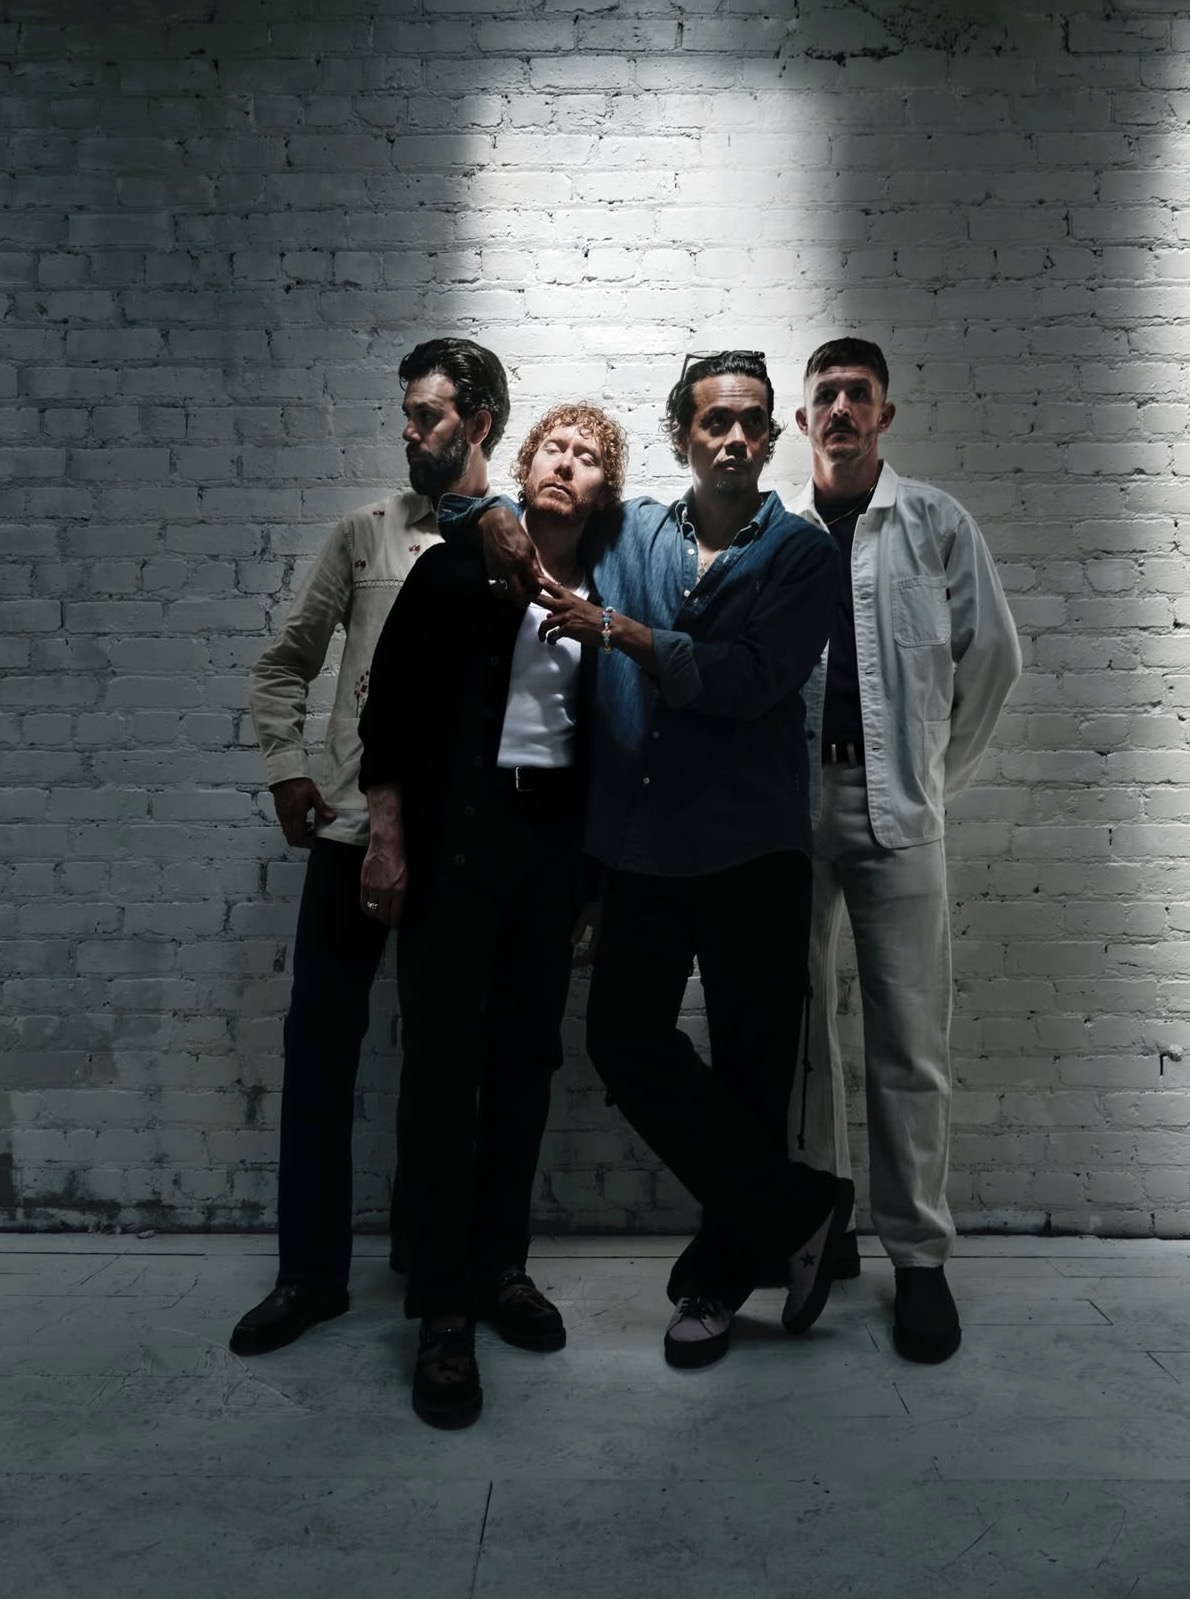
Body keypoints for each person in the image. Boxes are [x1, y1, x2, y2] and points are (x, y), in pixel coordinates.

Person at [461, 352, 851, 1372]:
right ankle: (800, 1211)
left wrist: (625, 634)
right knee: (622, 1040)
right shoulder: (632, 529)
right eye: (715, 421)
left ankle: (717, 1284)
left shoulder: (802, 555)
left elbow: (750, 681)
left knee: (753, 1073)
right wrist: (490, 514)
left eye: (752, 422)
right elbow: (539, 513)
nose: (735, 438)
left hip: (753, 851)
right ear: (683, 434)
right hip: (643, 848)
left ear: (769, 437)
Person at [229, 338, 511, 1357]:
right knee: (319, 1049)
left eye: (426, 414)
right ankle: (308, 1274)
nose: (407, 430)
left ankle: (435, 1273)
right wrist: (286, 769)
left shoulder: (517, 542)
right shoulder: (362, 536)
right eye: (406, 412)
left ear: (478, 422)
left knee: (443, 1065)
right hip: (351, 833)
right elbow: (284, 664)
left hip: (458, 852)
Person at [358, 403, 626, 1429]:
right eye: (554, 449)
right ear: (524, 462)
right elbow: (387, 714)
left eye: (588, 458)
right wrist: (387, 839)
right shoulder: (452, 570)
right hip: (453, 850)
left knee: (523, 1067)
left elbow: (601, 748)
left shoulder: (604, 596)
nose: (567, 465)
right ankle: (440, 1305)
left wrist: (589, 887)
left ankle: (500, 1267)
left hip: (547, 858)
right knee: (440, 1072)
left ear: (602, 488)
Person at [790, 336, 1022, 1364]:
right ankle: (818, 1221)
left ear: (883, 414)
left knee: (910, 1039)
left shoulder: (933, 523)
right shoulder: (774, 530)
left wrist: (933, 777)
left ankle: (918, 1258)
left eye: (859, 394)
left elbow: (994, 658)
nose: (841, 408)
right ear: (802, 420)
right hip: (787, 811)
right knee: (797, 1030)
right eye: (826, 395)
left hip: (900, 807)